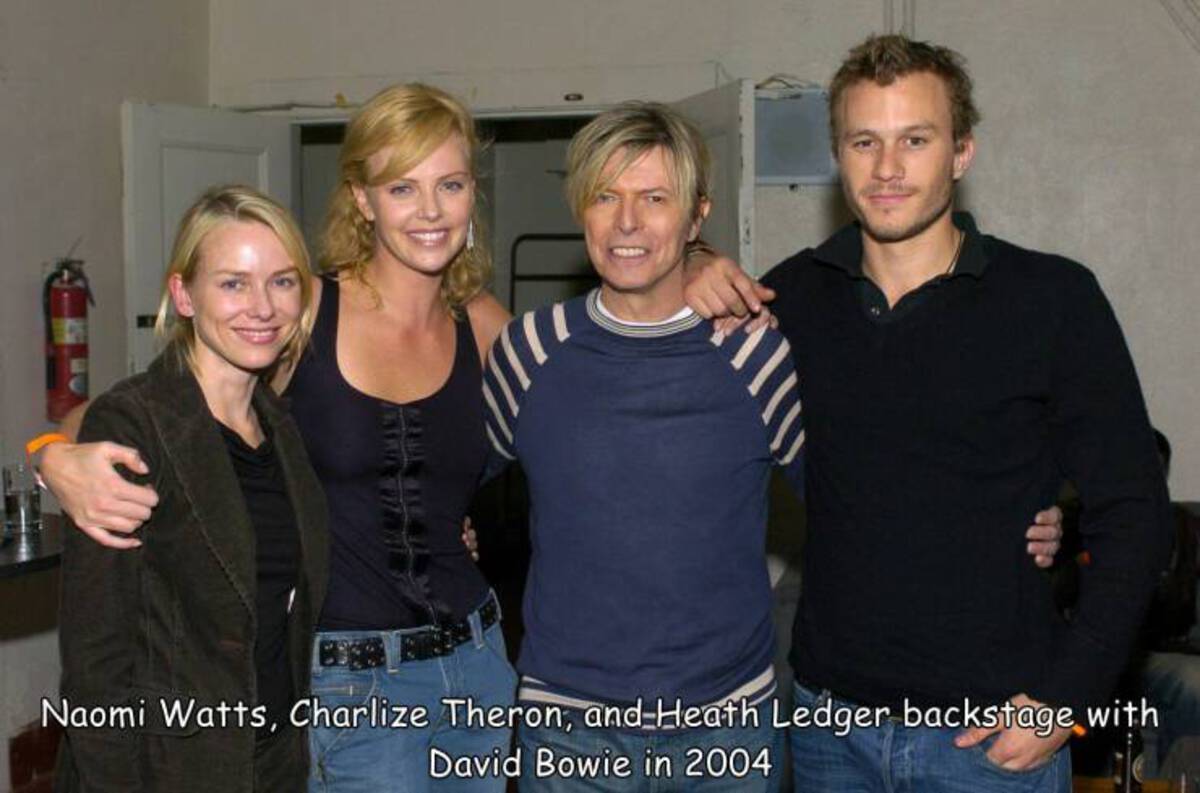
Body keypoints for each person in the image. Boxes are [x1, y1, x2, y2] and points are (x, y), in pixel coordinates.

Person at [481, 102, 1063, 792]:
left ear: (697, 216)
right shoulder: (530, 350)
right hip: (568, 730)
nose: (628, 222)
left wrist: (1015, 519)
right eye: (606, 196)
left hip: (725, 730)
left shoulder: (754, 351)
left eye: (654, 198)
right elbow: (444, 482)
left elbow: (865, 505)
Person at [685, 34, 1172, 792]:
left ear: (962, 151)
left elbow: (1136, 512)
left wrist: (1065, 699)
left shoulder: (1052, 300)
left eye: (915, 139)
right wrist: (691, 262)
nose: (886, 168)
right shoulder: (792, 300)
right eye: (864, 141)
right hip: (828, 730)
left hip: (990, 740)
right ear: (837, 155)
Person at [42, 84, 515, 793]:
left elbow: (588, 409)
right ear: (361, 199)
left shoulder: (482, 322)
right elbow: (144, 414)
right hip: (354, 688)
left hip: (477, 669)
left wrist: (688, 273)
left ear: (472, 192)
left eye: (449, 183)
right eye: (401, 186)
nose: (429, 210)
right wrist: (49, 457)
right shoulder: (302, 307)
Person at [55, 184, 328, 793]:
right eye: (233, 283)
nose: (262, 306)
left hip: (275, 759)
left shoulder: (280, 428)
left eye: (282, 281)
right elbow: (96, 660)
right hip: (167, 768)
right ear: (183, 294)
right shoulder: (134, 425)